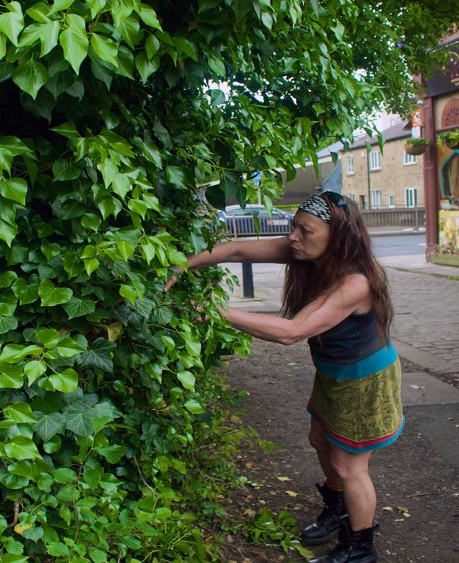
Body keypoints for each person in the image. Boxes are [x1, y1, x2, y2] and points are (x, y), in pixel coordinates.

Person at [167, 192, 403, 563]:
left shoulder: (356, 283)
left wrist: (213, 310)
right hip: (333, 374)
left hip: (364, 381)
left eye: (305, 231)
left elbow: (291, 331)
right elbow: (234, 252)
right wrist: (181, 265)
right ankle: (340, 510)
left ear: (337, 237)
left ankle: (360, 551)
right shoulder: (305, 249)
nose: (293, 236)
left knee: (349, 464)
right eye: (294, 227)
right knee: (320, 440)